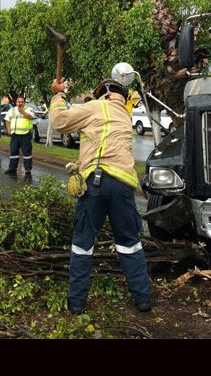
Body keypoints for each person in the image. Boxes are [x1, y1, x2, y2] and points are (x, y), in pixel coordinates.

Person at [49, 77, 151, 315]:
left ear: (103, 93)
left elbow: (59, 121)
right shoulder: (123, 114)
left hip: (96, 184)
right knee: (129, 243)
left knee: (83, 243)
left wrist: (58, 95)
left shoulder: (97, 106)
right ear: (120, 96)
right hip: (123, 185)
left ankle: (76, 303)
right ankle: (143, 299)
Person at [3, 96, 35, 178]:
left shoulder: (29, 109)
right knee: (13, 152)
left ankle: (28, 170)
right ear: (16, 102)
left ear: (24, 102)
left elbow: (31, 117)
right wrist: (9, 130)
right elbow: (7, 120)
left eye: (22, 101)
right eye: (18, 101)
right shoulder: (12, 110)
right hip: (15, 135)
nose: (20, 103)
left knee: (27, 153)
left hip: (26, 135)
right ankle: (12, 168)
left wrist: (22, 112)